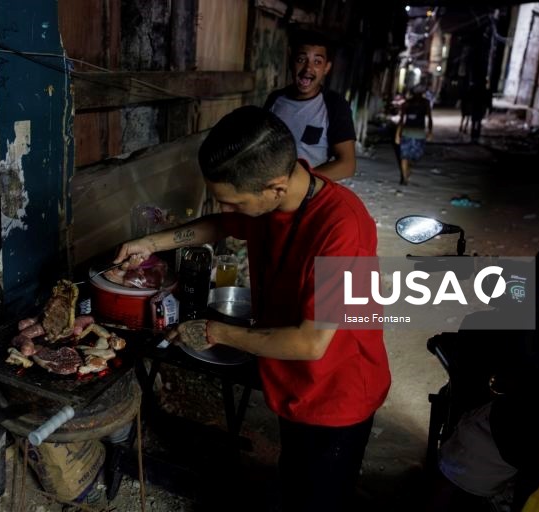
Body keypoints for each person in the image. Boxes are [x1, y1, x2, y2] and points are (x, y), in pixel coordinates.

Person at [114, 106, 391, 511]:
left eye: (234, 202)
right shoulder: (274, 200)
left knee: (319, 496)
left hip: (336, 392)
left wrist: (216, 332)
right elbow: (220, 225)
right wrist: (150, 243)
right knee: (295, 479)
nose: (227, 211)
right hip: (293, 380)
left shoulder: (343, 228)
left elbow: (311, 343)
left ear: (275, 188)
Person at [264, 29, 356, 181]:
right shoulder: (275, 99)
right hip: (271, 190)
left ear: (326, 68)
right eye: (301, 60)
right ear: (290, 61)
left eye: (317, 62)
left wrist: (298, 183)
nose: (308, 68)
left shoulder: (334, 105)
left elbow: (347, 165)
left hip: (310, 193)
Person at [395, 85, 433, 185]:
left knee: (407, 157)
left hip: (412, 133)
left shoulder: (412, 103)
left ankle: (405, 174)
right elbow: (429, 118)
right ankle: (404, 178)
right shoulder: (421, 103)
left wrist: (398, 134)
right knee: (407, 157)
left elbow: (401, 120)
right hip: (414, 133)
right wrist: (430, 131)